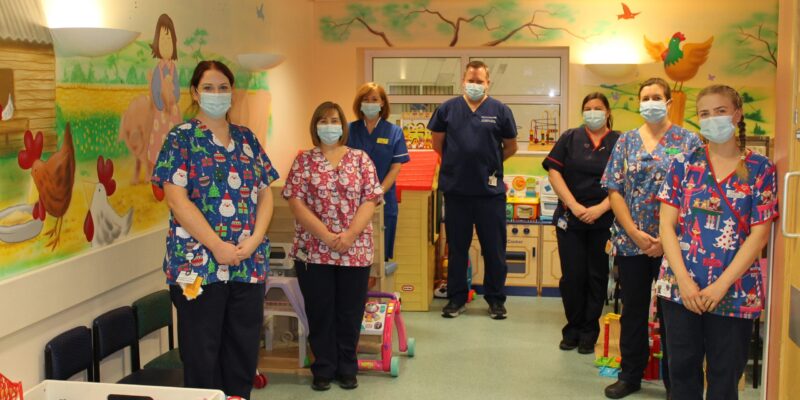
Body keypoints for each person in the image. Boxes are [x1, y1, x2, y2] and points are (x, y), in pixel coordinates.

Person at [151, 60, 279, 398]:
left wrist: (254, 240)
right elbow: (177, 200)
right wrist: (217, 246)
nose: (217, 94)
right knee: (202, 358)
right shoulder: (181, 139)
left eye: (223, 87)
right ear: (195, 92)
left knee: (241, 355)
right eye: (209, 87)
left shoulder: (247, 139)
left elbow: (266, 194)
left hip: (246, 264)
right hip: (198, 268)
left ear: (232, 92)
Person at [657, 84, 778, 400]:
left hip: (734, 291)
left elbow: (759, 234)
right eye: (705, 114)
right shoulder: (684, 163)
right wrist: (683, 281)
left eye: (720, 111)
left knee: (725, 380)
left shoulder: (760, 168)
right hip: (680, 288)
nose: (712, 119)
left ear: (737, 114)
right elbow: (666, 226)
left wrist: (720, 286)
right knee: (681, 375)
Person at [600, 77, 703, 399]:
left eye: (657, 97)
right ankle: (630, 374)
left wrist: (664, 238)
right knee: (633, 309)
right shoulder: (626, 141)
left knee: (675, 315)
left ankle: (677, 383)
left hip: (676, 243)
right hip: (632, 241)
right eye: (645, 97)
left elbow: (697, 193)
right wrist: (633, 232)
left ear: (669, 102)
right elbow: (614, 190)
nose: (651, 103)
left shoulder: (690, 142)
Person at [283, 101, 383, 391]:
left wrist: (350, 235)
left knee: (350, 313)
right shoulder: (304, 161)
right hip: (313, 251)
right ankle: (324, 368)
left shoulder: (361, 159)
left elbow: (370, 200)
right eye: (323, 120)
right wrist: (326, 236)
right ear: (315, 126)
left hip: (355, 249)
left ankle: (347, 368)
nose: (329, 125)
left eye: (334, 120)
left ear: (344, 125)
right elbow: (295, 202)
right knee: (320, 311)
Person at [429, 60, 518, 319]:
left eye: (480, 81)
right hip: (456, 192)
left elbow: (510, 146)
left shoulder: (500, 110)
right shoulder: (447, 109)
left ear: (488, 83)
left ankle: (495, 300)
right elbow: (438, 145)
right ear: (463, 81)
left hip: (490, 194)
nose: (475, 85)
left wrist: (490, 162)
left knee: (495, 249)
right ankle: (456, 299)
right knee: (457, 249)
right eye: (471, 80)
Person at [543, 92, 620, 354]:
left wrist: (599, 209)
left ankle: (589, 331)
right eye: (588, 108)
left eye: (598, 108)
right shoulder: (570, 138)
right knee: (572, 277)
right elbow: (555, 173)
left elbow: (622, 182)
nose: (593, 112)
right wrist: (575, 206)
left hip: (604, 219)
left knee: (596, 277)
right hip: (571, 219)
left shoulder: (620, 142)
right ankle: (572, 328)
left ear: (608, 112)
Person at [347, 82, 410, 260]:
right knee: (353, 254)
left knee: (379, 257)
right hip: (352, 202)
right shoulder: (349, 130)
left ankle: (375, 289)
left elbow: (396, 167)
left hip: (383, 200)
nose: (370, 103)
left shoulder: (394, 132)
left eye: (374, 99)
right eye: (365, 100)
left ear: (382, 103)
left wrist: (378, 192)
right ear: (359, 103)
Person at [147, 14, 182, 172]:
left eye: (169, 40)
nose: (166, 44)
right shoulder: (158, 70)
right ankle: (158, 170)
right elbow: (155, 89)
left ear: (175, 43)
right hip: (161, 115)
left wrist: (173, 98)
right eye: (162, 40)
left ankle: (174, 169)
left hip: (173, 113)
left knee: (174, 141)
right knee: (159, 142)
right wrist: (160, 104)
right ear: (156, 43)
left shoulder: (174, 69)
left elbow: (177, 88)